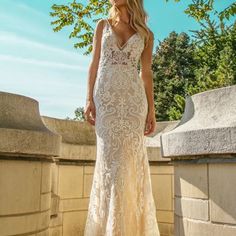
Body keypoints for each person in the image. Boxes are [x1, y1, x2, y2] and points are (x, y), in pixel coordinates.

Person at [83, 0, 160, 235]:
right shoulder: (102, 25)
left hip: (133, 104)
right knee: (109, 165)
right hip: (106, 102)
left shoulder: (146, 34)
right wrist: (89, 99)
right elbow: (94, 64)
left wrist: (151, 110)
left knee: (129, 164)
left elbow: (145, 73)